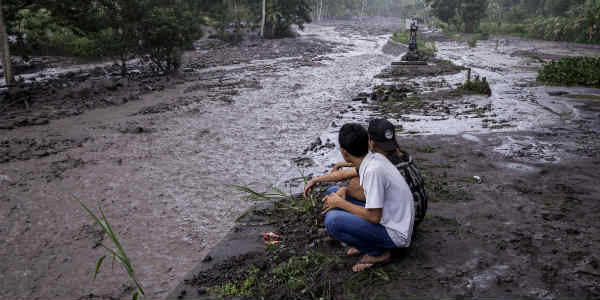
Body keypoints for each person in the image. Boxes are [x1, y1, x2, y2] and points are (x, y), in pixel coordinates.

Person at [314, 122, 415, 272]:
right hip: (391, 217)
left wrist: (340, 203)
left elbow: (374, 217)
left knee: (333, 221)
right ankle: (367, 241)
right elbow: (347, 180)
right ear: (368, 142)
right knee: (333, 191)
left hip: (396, 233)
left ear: (344, 152)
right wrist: (341, 193)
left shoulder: (372, 171)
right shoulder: (373, 159)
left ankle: (378, 253)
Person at [304, 119, 427, 230]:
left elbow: (355, 183)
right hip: (413, 216)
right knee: (336, 190)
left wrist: (344, 193)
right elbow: (352, 170)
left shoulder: (379, 167)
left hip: (401, 223)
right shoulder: (403, 156)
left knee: (341, 200)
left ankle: (378, 245)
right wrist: (317, 179)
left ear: (371, 143)